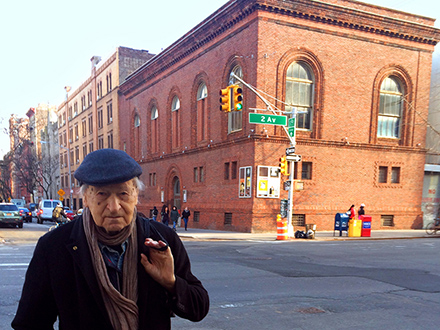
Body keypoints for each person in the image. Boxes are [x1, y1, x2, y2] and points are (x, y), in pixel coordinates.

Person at [12, 148, 209, 330]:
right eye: (102, 194)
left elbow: (199, 307)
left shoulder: (161, 240)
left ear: (136, 196)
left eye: (123, 194)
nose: (114, 206)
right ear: (86, 198)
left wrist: (171, 283)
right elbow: (30, 323)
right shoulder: (54, 247)